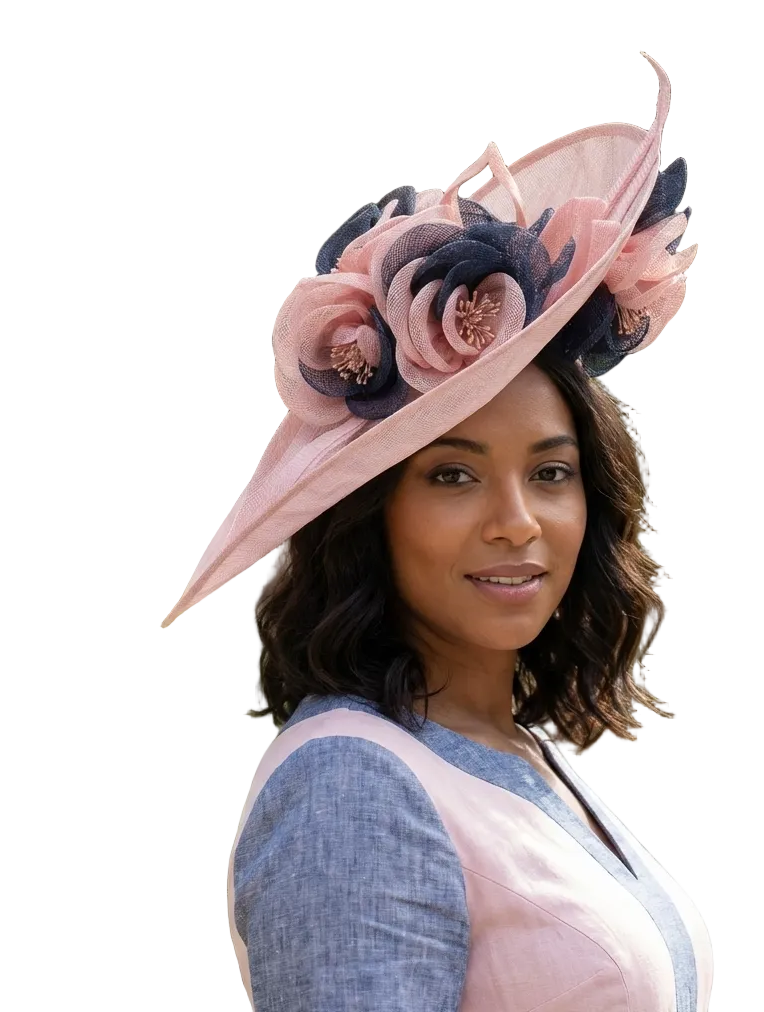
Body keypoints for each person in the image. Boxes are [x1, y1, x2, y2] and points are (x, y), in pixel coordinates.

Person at [163, 52, 712, 1012]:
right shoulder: (351, 784)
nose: (517, 521)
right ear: (371, 513)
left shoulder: (520, 759)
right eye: (452, 474)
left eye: (551, 472)